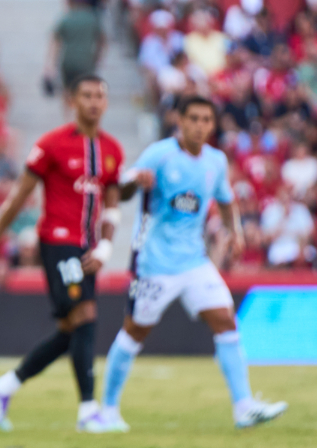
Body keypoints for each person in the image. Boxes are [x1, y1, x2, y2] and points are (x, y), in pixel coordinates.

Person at [101, 96, 287, 430]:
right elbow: (122, 190)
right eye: (194, 119)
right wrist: (134, 182)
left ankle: (243, 406)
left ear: (212, 125)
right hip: (155, 263)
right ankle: (107, 409)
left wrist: (235, 232)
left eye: (206, 120)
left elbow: (226, 201)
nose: (200, 126)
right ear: (180, 121)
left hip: (195, 261)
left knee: (225, 320)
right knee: (135, 331)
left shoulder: (215, 161)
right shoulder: (159, 154)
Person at [0, 76, 124, 432]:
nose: (93, 102)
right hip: (58, 242)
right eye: (86, 95)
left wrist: (105, 246)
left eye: (99, 96)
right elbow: (17, 198)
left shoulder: (112, 150)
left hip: (88, 249)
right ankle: (88, 411)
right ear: (72, 101)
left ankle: (3, 387)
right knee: (86, 315)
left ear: (106, 102)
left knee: (71, 331)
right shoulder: (52, 145)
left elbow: (114, 205)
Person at [45, 0, 105, 95]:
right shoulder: (92, 18)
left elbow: (55, 40)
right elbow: (102, 41)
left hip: (68, 60)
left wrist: (51, 64)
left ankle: (67, 112)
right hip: (86, 61)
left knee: (67, 91)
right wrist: (97, 57)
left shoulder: (67, 18)